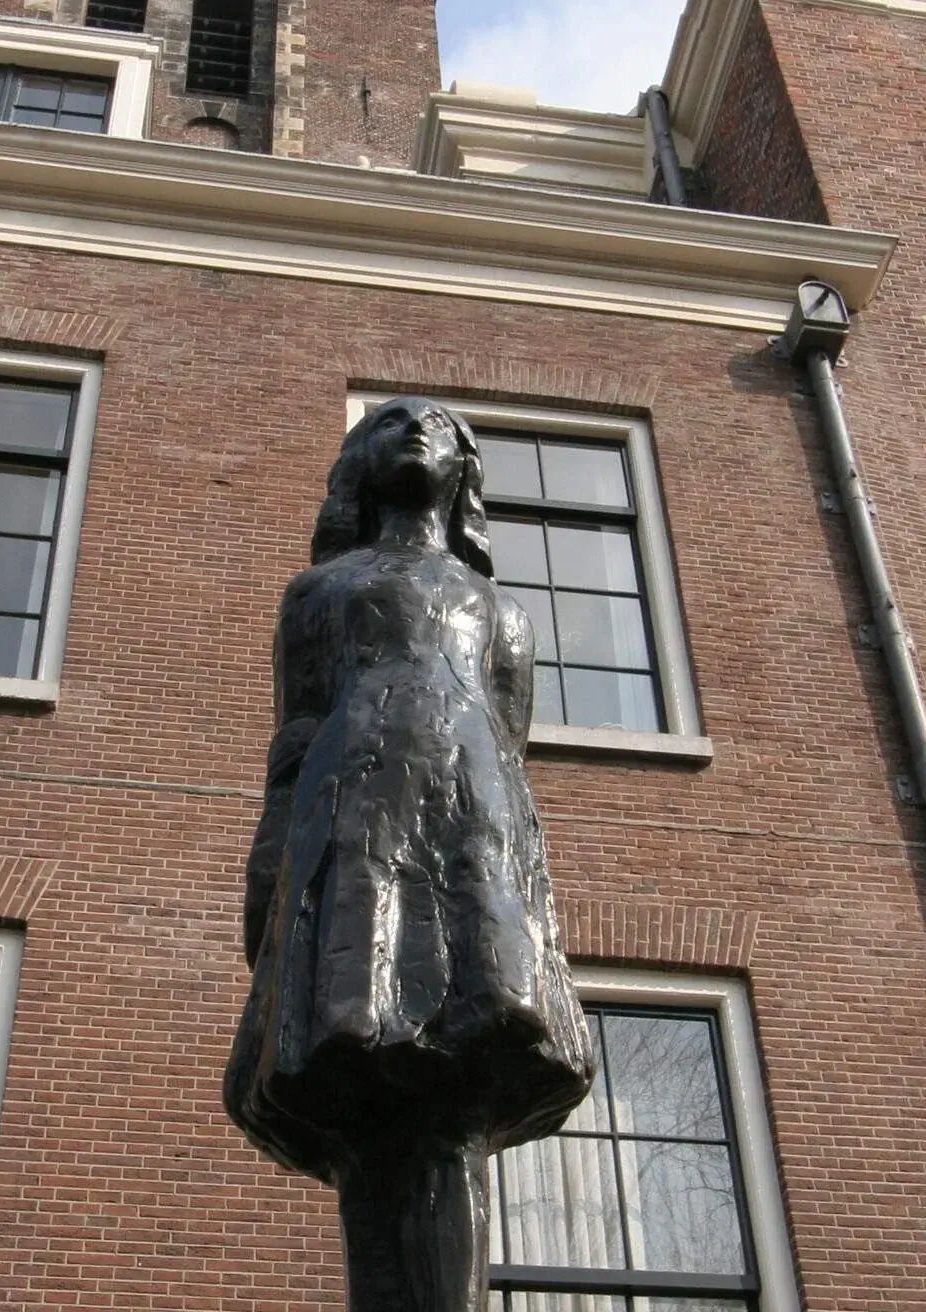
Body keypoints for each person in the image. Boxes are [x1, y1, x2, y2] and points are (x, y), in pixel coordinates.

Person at [224, 396, 594, 1312]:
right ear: (360, 462)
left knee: (455, 1101)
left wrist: (520, 904)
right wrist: (270, 870)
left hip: (468, 835)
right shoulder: (320, 594)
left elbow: (507, 750)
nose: (415, 432)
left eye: (439, 426)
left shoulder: (502, 612)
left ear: (468, 471)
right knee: (360, 1087)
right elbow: (296, 733)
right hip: (350, 828)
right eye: (389, 422)